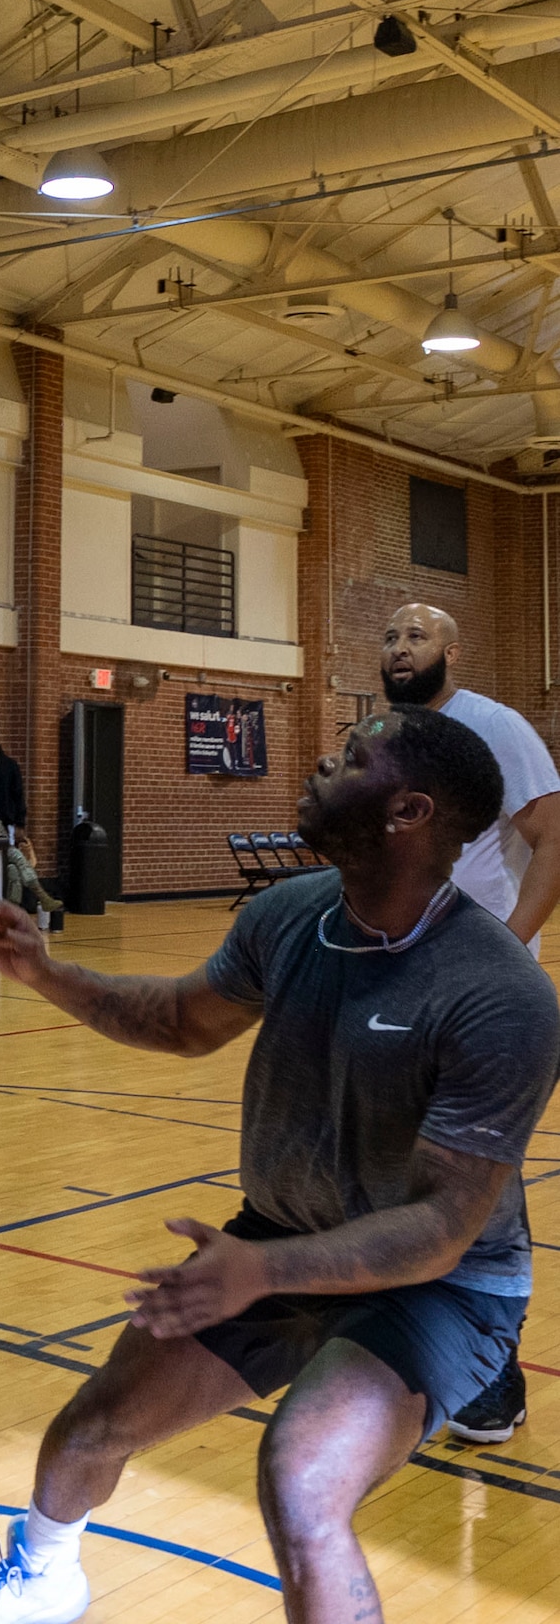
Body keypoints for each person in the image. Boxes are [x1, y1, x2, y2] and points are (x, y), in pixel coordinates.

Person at [0, 705, 559, 1624]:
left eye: (349, 758)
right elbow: (183, 1022)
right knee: (88, 1431)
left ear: (409, 812)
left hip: (442, 1287)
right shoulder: (291, 914)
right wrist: (47, 974)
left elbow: (439, 1228)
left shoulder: (499, 992)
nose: (320, 761)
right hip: (277, 1241)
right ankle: (43, 1574)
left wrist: (260, 1271)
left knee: (301, 1477)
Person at [380, 599, 560, 1443]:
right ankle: (422, 1353)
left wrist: (510, 947)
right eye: (390, 636)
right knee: (405, 1175)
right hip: (406, 988)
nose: (400, 647)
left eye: (417, 635)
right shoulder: (387, 739)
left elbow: (551, 835)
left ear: (453, 650)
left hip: (487, 1000)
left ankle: (496, 1380)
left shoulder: (497, 727)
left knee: (480, 1186)